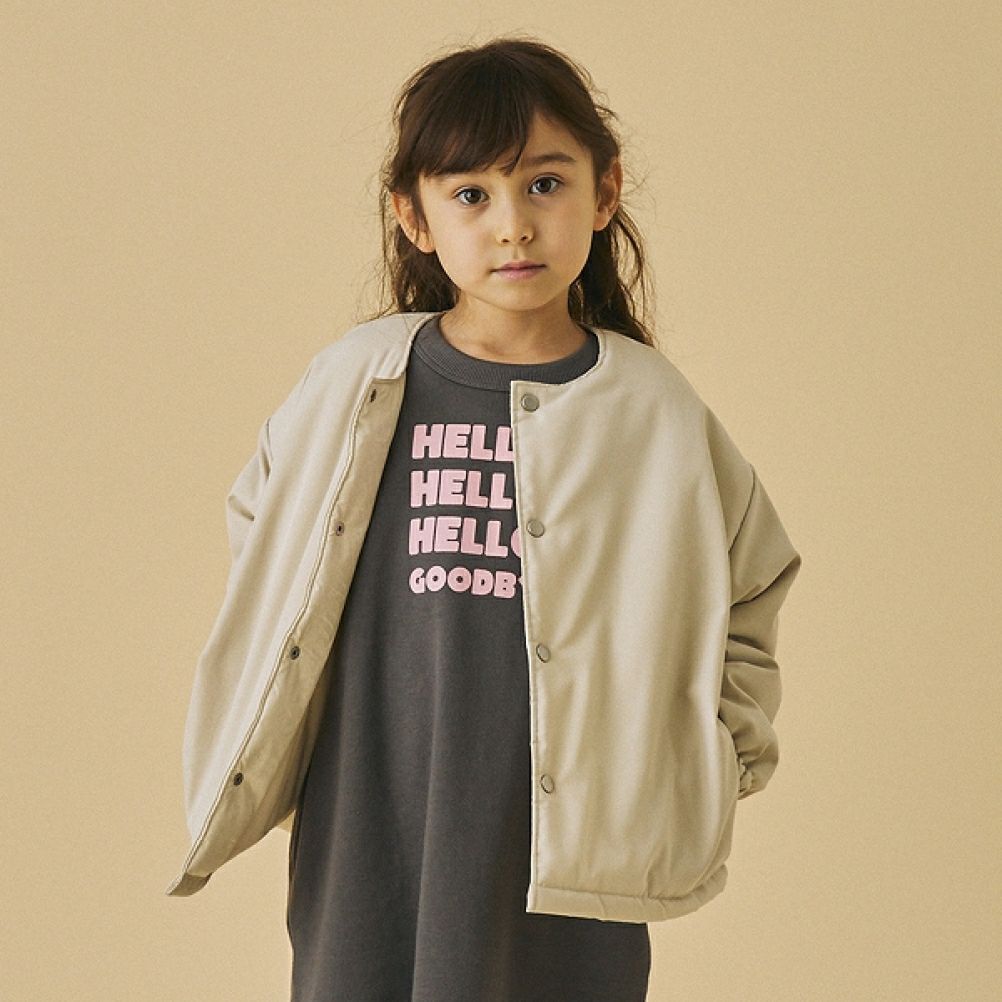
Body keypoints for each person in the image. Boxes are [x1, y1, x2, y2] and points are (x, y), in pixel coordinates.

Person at [165, 35, 803, 1002]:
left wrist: (706, 760)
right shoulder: (356, 379)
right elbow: (267, 529)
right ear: (413, 216)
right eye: (471, 194)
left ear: (605, 191)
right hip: (370, 816)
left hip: (567, 851)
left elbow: (750, 583)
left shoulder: (651, 410)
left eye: (545, 184)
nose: (514, 226)